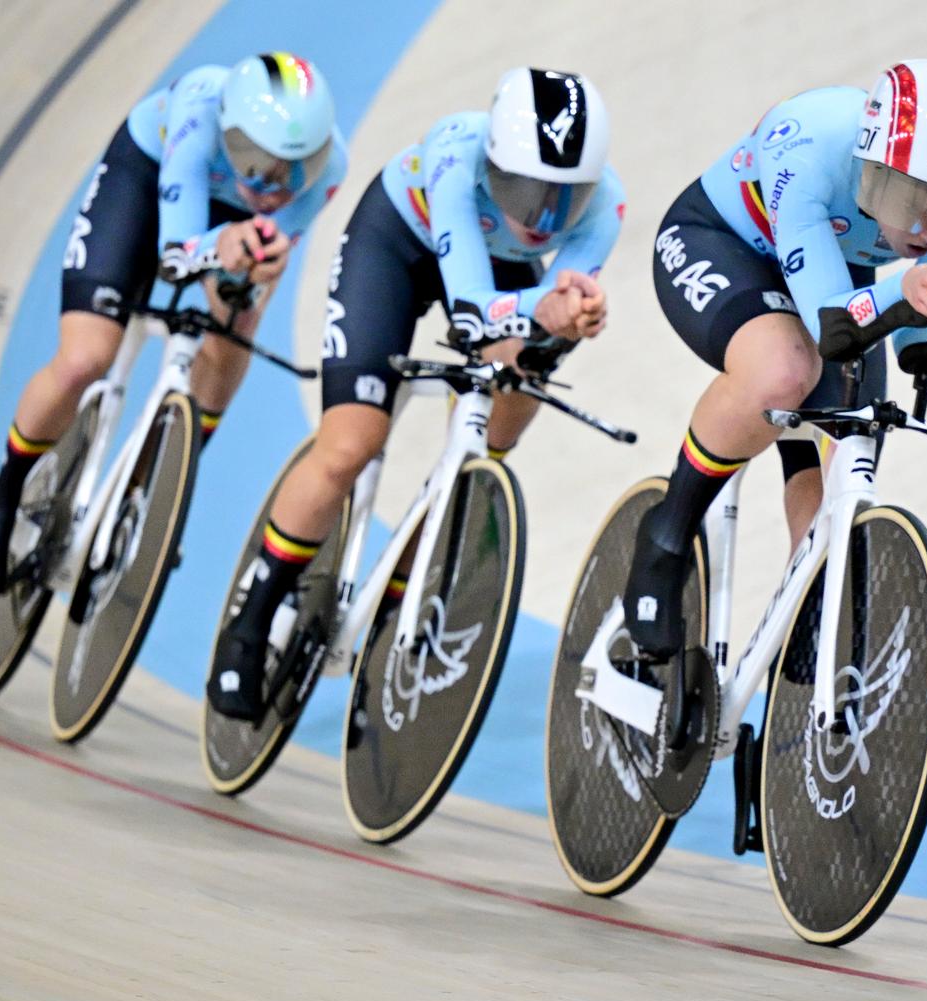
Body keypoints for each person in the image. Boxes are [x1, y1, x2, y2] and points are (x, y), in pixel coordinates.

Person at [205, 67, 621, 720]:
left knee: (498, 426)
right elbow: (472, 306)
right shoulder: (456, 155)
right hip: (398, 242)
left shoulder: (607, 205)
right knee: (351, 445)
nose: (541, 216)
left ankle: (403, 587)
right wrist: (552, 308)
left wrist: (570, 321)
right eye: (522, 187)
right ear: (491, 161)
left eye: (562, 198)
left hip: (501, 275)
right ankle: (253, 615)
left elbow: (552, 314)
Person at [621, 59, 927, 659]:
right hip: (725, 241)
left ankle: (810, 616)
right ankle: (666, 537)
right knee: (784, 372)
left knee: (854, 438)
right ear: (872, 168)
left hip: (836, 271)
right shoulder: (809, 141)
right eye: (910, 195)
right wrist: (906, 292)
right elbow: (832, 324)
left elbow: (912, 351)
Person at [0, 53, 346, 595]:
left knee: (236, 324)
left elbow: (263, 252)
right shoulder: (199, 107)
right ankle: (6, 490)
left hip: (228, 225)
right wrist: (217, 246)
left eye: (293, 167)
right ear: (228, 133)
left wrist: (250, 261)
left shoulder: (331, 170)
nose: (273, 185)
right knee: (84, 360)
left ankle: (159, 479)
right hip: (148, 182)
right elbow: (175, 256)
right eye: (254, 160)